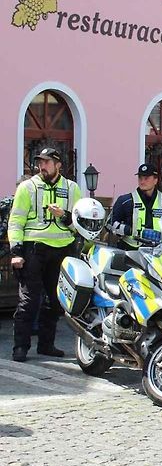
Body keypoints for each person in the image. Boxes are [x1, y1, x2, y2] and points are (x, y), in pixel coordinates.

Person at [8, 148, 82, 362]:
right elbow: (16, 221)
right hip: (34, 249)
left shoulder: (71, 188)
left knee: (56, 301)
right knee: (28, 301)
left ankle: (46, 345)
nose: (42, 165)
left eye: (47, 162)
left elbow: (78, 223)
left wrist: (64, 215)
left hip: (62, 250)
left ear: (58, 165)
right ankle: (20, 347)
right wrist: (16, 251)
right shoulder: (27, 187)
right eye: (40, 161)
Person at [107, 163, 162, 250]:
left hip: (160, 252)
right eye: (140, 178)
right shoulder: (125, 201)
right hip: (131, 251)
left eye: (146, 178)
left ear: (155, 180)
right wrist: (128, 230)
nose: (142, 181)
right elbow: (109, 224)